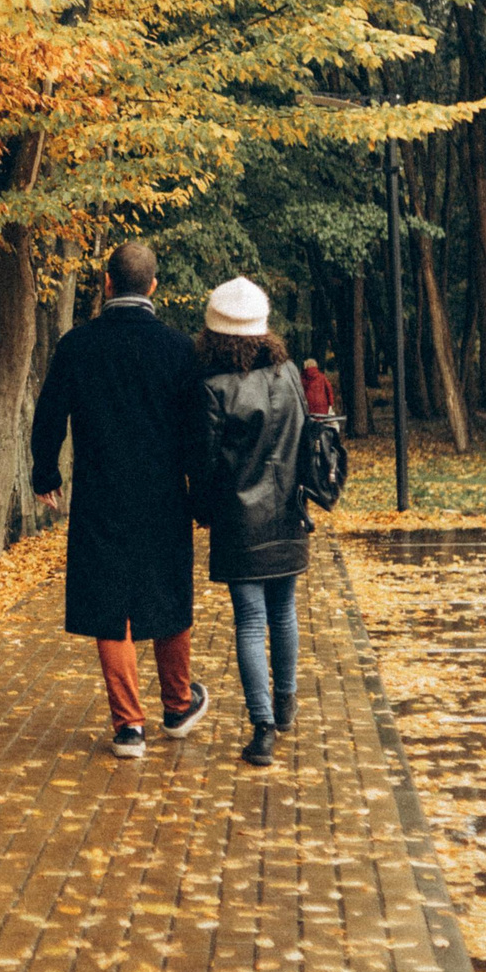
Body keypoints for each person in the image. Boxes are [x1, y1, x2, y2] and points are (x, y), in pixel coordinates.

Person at [30, 240, 209, 759]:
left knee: (111, 605)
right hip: (164, 495)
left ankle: (130, 726)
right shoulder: (179, 350)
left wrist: (46, 475)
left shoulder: (77, 345)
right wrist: (201, 498)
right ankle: (177, 706)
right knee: (169, 593)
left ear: (107, 283)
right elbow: (199, 432)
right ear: (153, 286)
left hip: (100, 493)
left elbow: (48, 417)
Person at [190, 277, 310, 767]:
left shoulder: (214, 388)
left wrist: (203, 508)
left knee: (251, 620)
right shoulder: (290, 375)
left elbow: (203, 461)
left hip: (240, 520)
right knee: (283, 612)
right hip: (289, 514)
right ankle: (286, 700)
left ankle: (262, 727)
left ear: (215, 334)